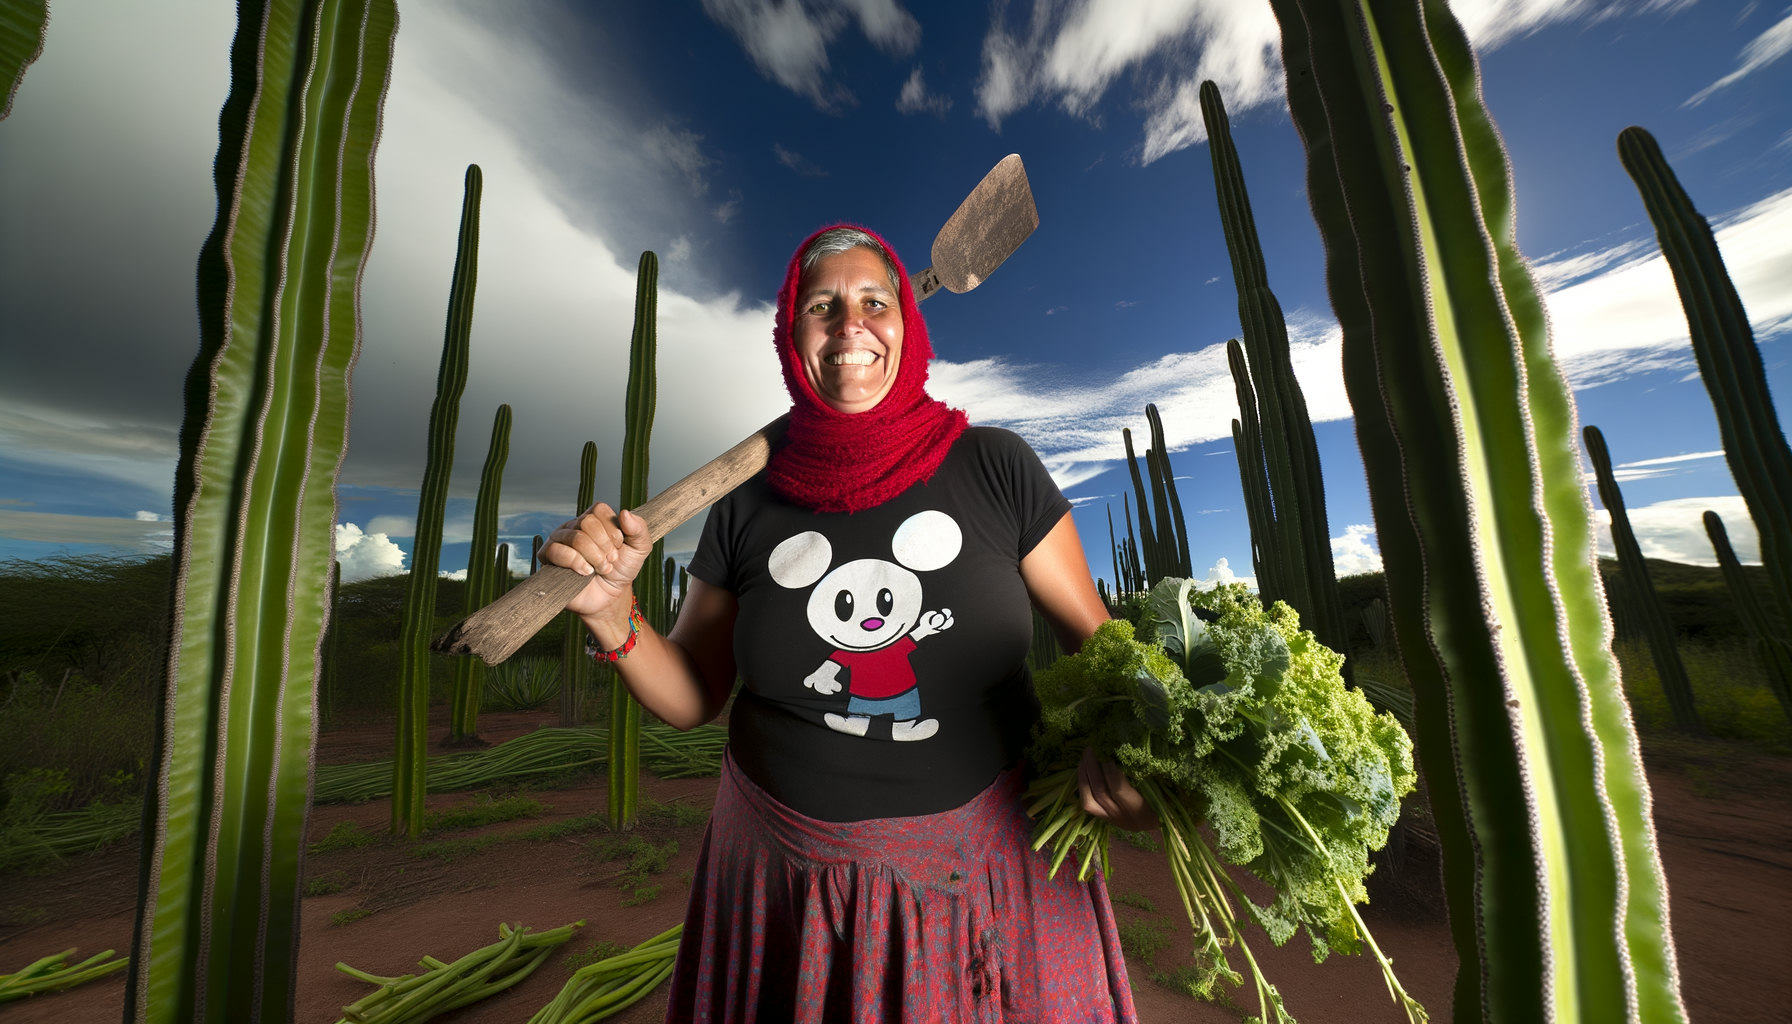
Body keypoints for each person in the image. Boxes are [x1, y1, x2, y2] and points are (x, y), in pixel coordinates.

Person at [540, 224, 1153, 1023]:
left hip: (992, 870)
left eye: (873, 302)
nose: (850, 326)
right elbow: (693, 694)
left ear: (908, 324)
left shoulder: (995, 466)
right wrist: (613, 612)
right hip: (783, 882)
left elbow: (1098, 644)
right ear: (791, 337)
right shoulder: (746, 505)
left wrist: (1127, 741)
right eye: (821, 307)